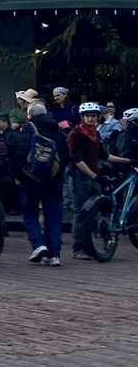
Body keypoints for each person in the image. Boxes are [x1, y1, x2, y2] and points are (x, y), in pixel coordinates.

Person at [67, 102, 131, 261]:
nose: (90, 118)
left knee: (92, 213)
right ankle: (78, 249)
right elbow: (77, 160)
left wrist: (128, 160)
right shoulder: (75, 134)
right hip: (80, 178)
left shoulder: (95, 134)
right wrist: (94, 176)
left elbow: (106, 156)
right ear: (82, 117)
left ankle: (89, 247)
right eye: (87, 116)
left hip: (94, 178)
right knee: (81, 212)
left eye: (93, 115)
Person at [18, 101, 68, 266]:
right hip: (54, 180)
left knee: (29, 212)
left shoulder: (29, 127)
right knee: (53, 216)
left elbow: (21, 152)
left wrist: (17, 174)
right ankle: (54, 255)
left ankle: (39, 245)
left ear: (29, 114)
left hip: (32, 178)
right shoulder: (57, 129)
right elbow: (65, 154)